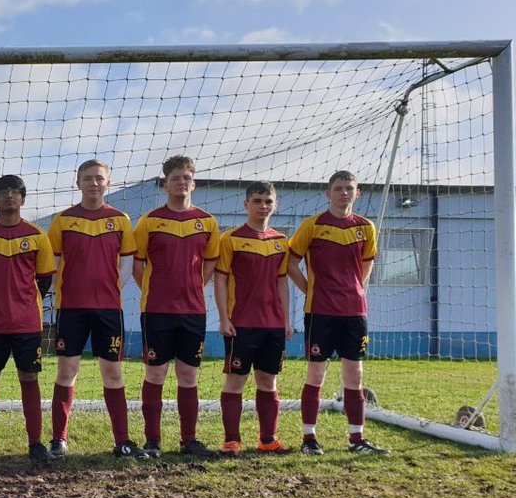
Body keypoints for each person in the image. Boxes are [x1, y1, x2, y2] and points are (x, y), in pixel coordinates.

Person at [47, 159, 145, 459]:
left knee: (112, 373)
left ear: (108, 183)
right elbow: (53, 263)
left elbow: (127, 260)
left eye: (99, 178)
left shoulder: (120, 219)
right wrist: (59, 289)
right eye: (88, 178)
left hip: (107, 308)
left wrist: (114, 287)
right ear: (78, 183)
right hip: (71, 307)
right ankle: (59, 440)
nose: (94, 183)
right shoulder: (63, 220)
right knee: (67, 370)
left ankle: (122, 441)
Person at [288, 170, 387, 454]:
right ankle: (309, 439)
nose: (344, 193)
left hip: (354, 312)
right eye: (339, 188)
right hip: (320, 312)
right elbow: (291, 264)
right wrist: (310, 291)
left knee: (354, 375)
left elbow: (365, 268)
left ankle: (357, 439)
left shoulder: (365, 227)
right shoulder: (313, 225)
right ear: (328, 194)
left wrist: (354, 288)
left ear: (358, 193)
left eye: (349, 188)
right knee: (316, 373)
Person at [133, 155, 220, 458]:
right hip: (156, 311)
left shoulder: (207, 222)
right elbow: (137, 265)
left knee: (188, 376)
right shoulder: (149, 221)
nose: (181, 183)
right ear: (165, 184)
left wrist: (195, 286)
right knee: (155, 374)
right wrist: (156, 291)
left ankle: (188, 440)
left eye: (186, 178)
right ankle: (152, 441)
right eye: (175, 178)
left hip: (193, 311)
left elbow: (210, 262)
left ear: (193, 183)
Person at [0, 174, 56, 462]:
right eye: (3, 192)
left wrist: (23, 303)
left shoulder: (37, 236)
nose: (9, 196)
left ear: (23, 199)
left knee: (29, 378)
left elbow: (44, 280)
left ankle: (35, 443)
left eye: (15, 191)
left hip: (27, 323)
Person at [214, 181, 293, 455]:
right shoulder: (230, 239)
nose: (263, 206)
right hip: (241, 324)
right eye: (257, 201)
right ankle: (231, 440)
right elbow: (220, 281)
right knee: (236, 381)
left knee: (268, 381)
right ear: (246, 204)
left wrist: (286, 320)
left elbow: (282, 282)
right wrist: (224, 318)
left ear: (275, 204)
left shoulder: (281, 241)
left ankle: (268, 439)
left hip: (272, 325)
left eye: (268, 201)